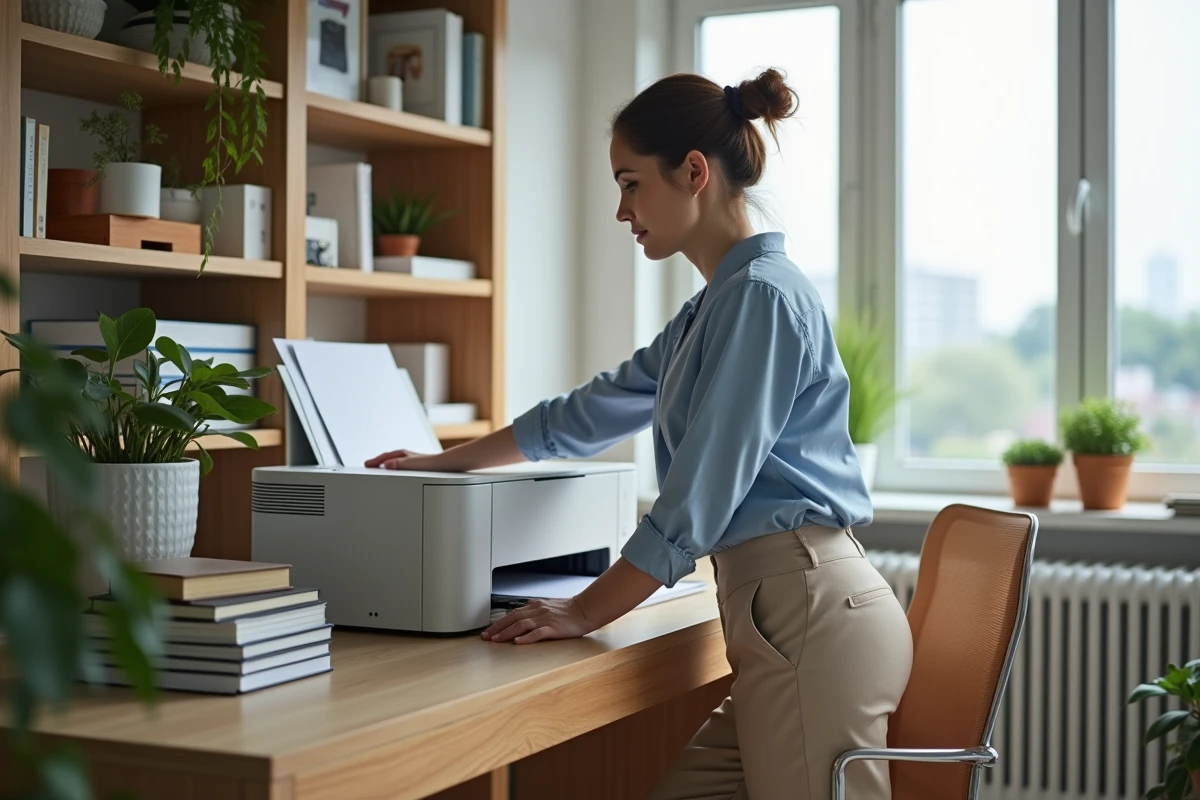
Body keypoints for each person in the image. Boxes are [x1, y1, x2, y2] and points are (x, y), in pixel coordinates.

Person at [366, 68, 913, 800]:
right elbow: (587, 413)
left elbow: (701, 492)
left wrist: (588, 608)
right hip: (781, 617)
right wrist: (448, 462)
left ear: (693, 172)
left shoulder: (760, 300)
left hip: (808, 620)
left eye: (630, 183)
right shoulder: (712, 308)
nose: (622, 210)